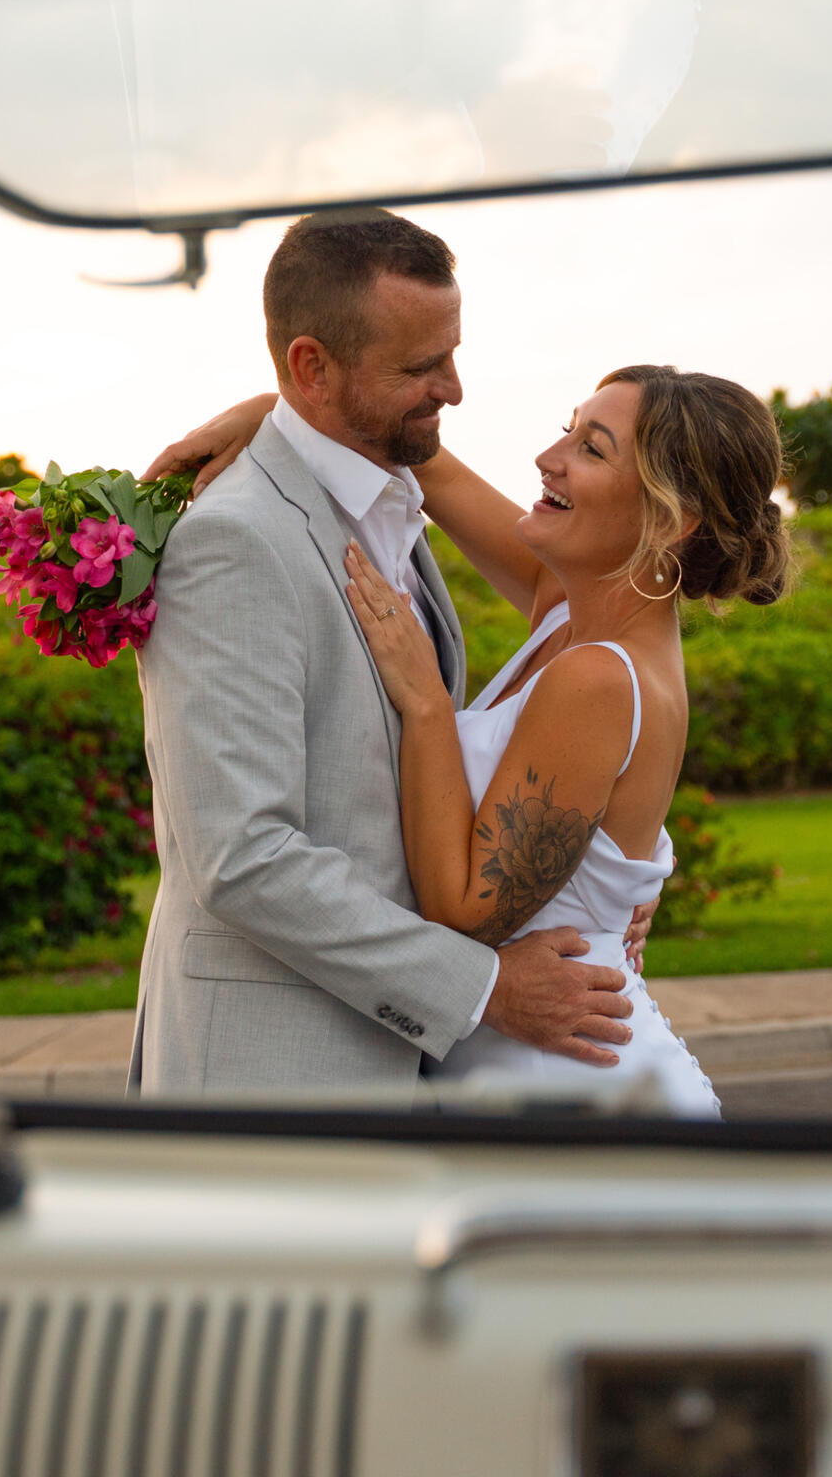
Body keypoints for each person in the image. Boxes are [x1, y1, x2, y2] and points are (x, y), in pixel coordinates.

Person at [159, 362, 792, 1116]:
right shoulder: (571, 610)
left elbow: (464, 909)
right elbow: (437, 473)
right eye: (567, 430)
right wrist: (280, 415)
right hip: (522, 1075)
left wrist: (425, 701)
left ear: (670, 517)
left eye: (592, 450)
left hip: (575, 1093)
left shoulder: (600, 678)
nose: (548, 460)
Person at [126, 209, 648, 1101]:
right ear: (311, 368)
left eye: (451, 353)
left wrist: (616, 871)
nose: (454, 388)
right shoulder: (236, 542)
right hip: (270, 1078)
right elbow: (242, 855)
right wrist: (482, 988)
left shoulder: (388, 505)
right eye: (419, 367)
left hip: (396, 1077)